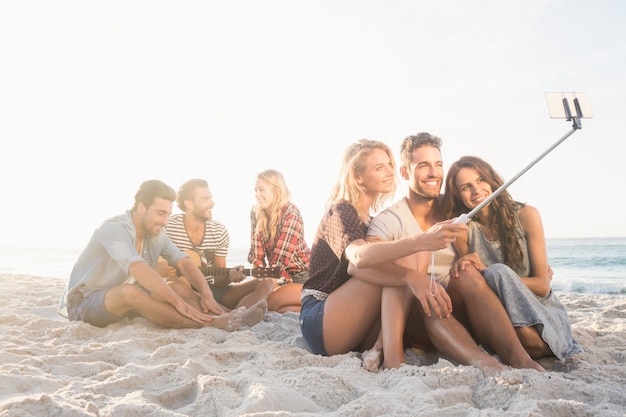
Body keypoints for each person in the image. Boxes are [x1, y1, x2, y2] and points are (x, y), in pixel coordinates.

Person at [346, 133, 543, 373]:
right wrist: (412, 277)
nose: (433, 173)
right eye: (423, 166)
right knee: (431, 295)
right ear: (406, 173)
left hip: (466, 310)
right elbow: (363, 262)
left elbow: (496, 236)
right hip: (418, 315)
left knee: (467, 273)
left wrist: (475, 261)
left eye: (438, 164)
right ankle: (487, 364)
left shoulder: (457, 209)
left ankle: (520, 360)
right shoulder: (391, 219)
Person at [299, 139, 471, 365]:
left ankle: (381, 347)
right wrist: (417, 256)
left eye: (390, 164)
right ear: (358, 177)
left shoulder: (369, 219)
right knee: (410, 253)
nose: (390, 172)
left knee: (407, 256)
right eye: (380, 168)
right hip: (320, 318)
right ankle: (393, 359)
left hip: (353, 321)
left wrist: (413, 274)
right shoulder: (341, 211)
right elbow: (358, 258)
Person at [57, 180, 262, 330]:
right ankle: (210, 323)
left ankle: (232, 316)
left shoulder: (156, 233)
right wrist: (178, 303)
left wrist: (206, 293)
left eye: (168, 214)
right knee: (130, 292)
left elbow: (183, 261)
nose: (165, 221)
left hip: (115, 302)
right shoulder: (114, 228)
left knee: (177, 285)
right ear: (141, 207)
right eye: (160, 213)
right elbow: (137, 267)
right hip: (84, 303)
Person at [442, 155, 582, 360]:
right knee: (514, 332)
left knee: (499, 273)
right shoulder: (464, 229)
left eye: (480, 180)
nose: (476, 191)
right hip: (501, 316)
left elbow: (542, 285)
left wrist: (489, 271)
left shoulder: (526, 215)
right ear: (459, 195)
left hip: (541, 312)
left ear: (491, 179)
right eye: (465, 187)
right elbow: (474, 284)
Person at [159, 178, 274, 316]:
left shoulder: (219, 231)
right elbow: (148, 257)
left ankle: (237, 315)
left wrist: (230, 276)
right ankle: (230, 315)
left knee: (268, 282)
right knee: (174, 284)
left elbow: (220, 280)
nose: (212, 203)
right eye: (205, 199)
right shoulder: (168, 226)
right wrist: (158, 268)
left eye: (211, 198)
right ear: (189, 204)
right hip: (184, 292)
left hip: (213, 291)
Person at [248, 169, 311, 313]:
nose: (256, 195)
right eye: (255, 190)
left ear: (276, 190)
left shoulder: (291, 213)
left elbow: (279, 262)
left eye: (261, 190)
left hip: (302, 275)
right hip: (278, 274)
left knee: (269, 304)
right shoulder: (256, 211)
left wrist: (267, 284)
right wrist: (257, 275)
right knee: (247, 296)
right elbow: (256, 257)